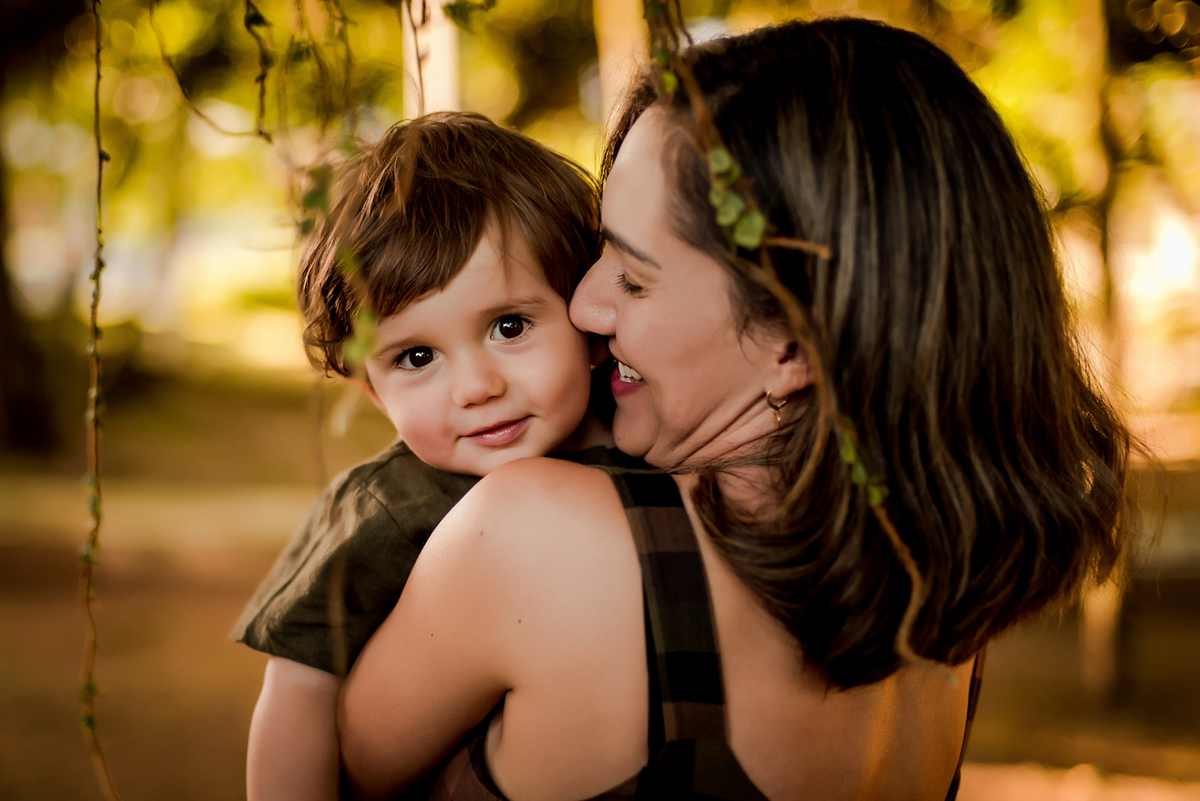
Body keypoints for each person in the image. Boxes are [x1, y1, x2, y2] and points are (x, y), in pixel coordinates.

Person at [339, 18, 1133, 801]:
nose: (583, 304)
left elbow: (340, 769)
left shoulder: (542, 537)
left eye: (634, 276)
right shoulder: (939, 598)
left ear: (794, 344)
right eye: (599, 251)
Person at [232, 111, 624, 801]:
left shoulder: (650, 443)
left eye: (510, 326)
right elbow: (295, 696)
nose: (476, 387)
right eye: (416, 357)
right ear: (374, 392)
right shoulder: (388, 505)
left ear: (588, 322)